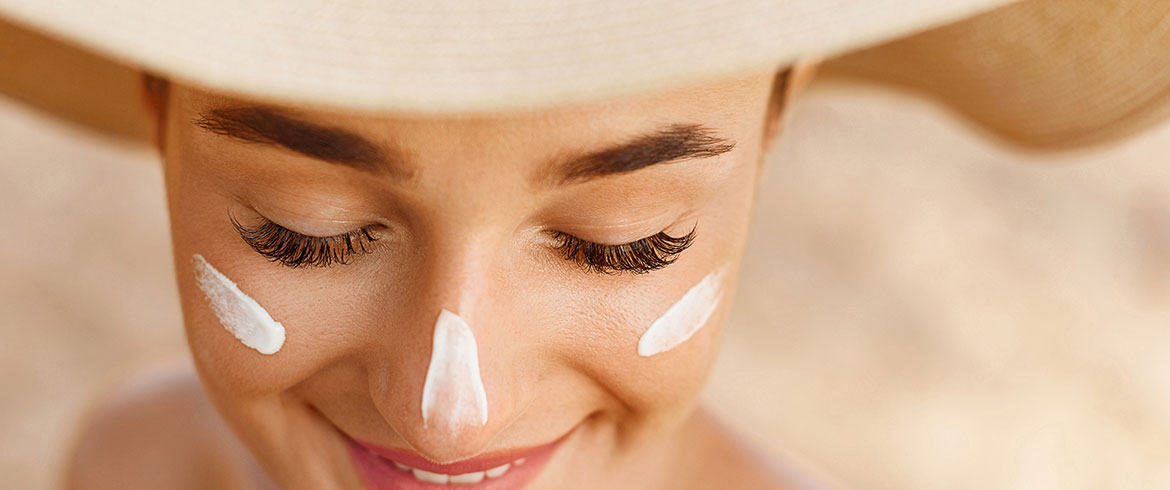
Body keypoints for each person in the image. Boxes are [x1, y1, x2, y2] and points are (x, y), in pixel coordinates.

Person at [2, 0, 1167, 489]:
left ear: (775, 118)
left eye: (625, 243)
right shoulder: (145, 464)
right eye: (303, 233)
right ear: (156, 105)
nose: (447, 411)